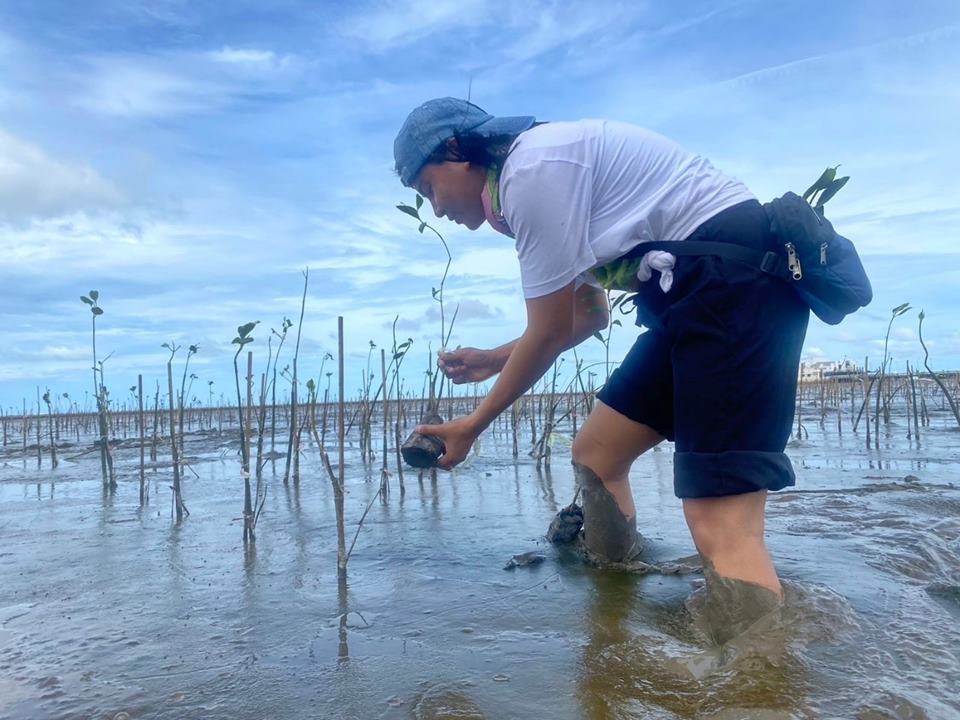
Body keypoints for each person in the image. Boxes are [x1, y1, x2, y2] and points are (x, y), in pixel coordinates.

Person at [393, 97, 809, 606]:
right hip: (692, 295)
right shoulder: (529, 184)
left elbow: (548, 333)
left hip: (735, 283)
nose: (436, 208)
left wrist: (471, 426)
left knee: (720, 521)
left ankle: (760, 658)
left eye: (428, 188)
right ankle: (617, 602)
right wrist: (493, 359)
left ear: (457, 151)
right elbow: (589, 316)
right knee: (597, 454)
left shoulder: (530, 171)